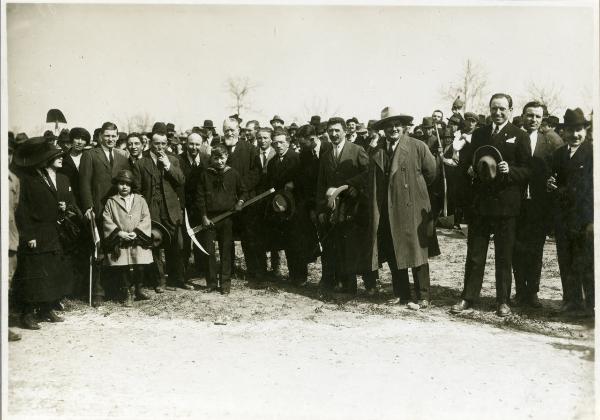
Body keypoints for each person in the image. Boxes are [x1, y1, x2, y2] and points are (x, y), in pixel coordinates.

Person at [451, 93, 531, 317]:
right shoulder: (479, 134)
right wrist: (468, 168)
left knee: (504, 256)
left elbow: (528, 170)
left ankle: (503, 301)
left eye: (502, 109)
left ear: (510, 111)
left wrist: (511, 171)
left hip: (507, 206)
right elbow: (467, 161)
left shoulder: (519, 136)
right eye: (494, 108)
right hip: (481, 205)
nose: (497, 113)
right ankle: (468, 297)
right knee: (475, 254)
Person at [349, 107, 437, 308]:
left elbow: (431, 173)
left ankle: (423, 296)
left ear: (404, 126)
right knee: (393, 250)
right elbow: (370, 176)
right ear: (383, 129)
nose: (393, 129)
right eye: (389, 125)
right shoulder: (377, 151)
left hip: (411, 208)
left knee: (417, 252)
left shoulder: (417, 146)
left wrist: (415, 192)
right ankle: (402, 294)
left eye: (397, 124)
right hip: (387, 209)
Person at [14, 141, 78, 329]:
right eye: (57, 157)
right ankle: (27, 313)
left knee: (52, 272)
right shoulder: (28, 179)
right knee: (33, 274)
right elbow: (22, 209)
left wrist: (64, 206)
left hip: (53, 232)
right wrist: (29, 235)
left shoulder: (60, 178)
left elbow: (66, 201)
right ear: (45, 160)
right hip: (36, 232)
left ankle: (46, 308)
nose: (61, 159)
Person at [511, 101, 564, 308]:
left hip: (539, 205)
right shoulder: (513, 138)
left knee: (535, 249)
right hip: (516, 203)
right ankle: (519, 291)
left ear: (542, 120)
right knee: (516, 247)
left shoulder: (549, 143)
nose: (533, 119)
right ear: (523, 116)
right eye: (529, 115)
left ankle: (532, 292)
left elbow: (557, 171)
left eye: (537, 116)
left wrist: (553, 182)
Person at [133, 122, 192, 292]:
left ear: (167, 143)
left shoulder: (173, 159)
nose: (160, 147)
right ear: (150, 142)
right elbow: (137, 188)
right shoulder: (141, 161)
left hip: (171, 209)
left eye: (163, 144)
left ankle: (178, 279)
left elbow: (181, 180)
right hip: (152, 209)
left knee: (177, 245)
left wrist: (168, 165)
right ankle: (160, 281)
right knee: (155, 244)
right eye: (157, 143)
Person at [547, 108, 594, 316]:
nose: (575, 135)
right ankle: (571, 300)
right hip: (563, 216)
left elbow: (588, 188)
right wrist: (550, 183)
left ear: (585, 130)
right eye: (570, 130)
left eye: (579, 130)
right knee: (565, 259)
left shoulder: (592, 154)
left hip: (584, 217)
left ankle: (591, 304)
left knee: (585, 261)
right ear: (563, 132)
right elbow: (556, 179)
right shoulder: (559, 154)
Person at [316, 117, 369, 298]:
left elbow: (368, 174)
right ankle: (337, 283)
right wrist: (322, 209)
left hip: (352, 208)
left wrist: (351, 185)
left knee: (350, 247)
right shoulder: (325, 157)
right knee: (334, 246)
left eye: (337, 130)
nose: (333, 134)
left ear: (345, 131)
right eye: (331, 131)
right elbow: (321, 185)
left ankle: (350, 287)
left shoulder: (357, 150)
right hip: (333, 210)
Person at [79, 121, 131, 307]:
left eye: (113, 136)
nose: (110, 139)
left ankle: (118, 290)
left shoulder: (122, 157)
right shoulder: (90, 155)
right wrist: (87, 207)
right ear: (101, 136)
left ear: (117, 137)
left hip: (117, 210)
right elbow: (84, 183)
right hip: (98, 210)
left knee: (117, 248)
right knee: (99, 251)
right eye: (107, 136)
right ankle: (98, 292)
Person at [265, 128, 318, 286]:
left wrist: (294, 185)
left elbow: (306, 181)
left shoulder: (296, 158)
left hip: (297, 207)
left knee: (297, 243)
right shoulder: (273, 162)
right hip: (281, 208)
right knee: (287, 242)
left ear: (288, 142)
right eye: (276, 142)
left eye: (282, 142)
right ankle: (292, 274)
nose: (279, 145)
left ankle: (300, 276)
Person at [195, 145, 247, 294]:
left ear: (227, 158)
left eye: (222, 158)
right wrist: (204, 216)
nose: (219, 161)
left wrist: (240, 203)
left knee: (226, 251)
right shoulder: (205, 175)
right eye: (216, 158)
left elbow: (243, 191)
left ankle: (225, 284)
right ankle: (211, 283)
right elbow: (200, 198)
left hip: (227, 218)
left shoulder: (233, 174)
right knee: (209, 252)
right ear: (211, 158)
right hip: (210, 219)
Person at [102, 170, 153, 306]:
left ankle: (139, 289)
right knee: (123, 266)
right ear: (116, 185)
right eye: (121, 183)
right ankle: (127, 293)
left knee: (140, 264)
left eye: (127, 184)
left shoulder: (140, 200)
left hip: (137, 237)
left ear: (132, 186)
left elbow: (146, 217)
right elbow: (107, 219)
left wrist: (137, 232)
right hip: (121, 238)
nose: (124, 187)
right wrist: (119, 233)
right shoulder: (111, 202)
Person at [222, 117, 261, 281]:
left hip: (246, 201)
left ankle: (254, 271)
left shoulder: (250, 149)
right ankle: (228, 271)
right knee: (227, 238)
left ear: (239, 130)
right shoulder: (219, 149)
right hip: (224, 202)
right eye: (226, 130)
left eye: (232, 129)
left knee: (249, 237)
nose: (229, 133)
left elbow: (256, 172)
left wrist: (241, 190)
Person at [178, 132, 210, 281]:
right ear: (186, 144)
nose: (194, 147)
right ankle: (183, 270)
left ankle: (201, 269)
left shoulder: (207, 160)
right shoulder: (178, 160)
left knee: (201, 236)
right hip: (184, 206)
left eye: (197, 144)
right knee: (184, 239)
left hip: (200, 206)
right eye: (191, 144)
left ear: (202, 144)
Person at [254, 127, 282, 279]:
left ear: (271, 139)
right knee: (260, 234)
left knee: (274, 233)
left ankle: (276, 267)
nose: (262, 141)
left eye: (265, 138)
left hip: (273, 199)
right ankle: (261, 267)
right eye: (259, 138)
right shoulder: (253, 154)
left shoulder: (275, 154)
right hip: (258, 199)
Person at [8, 136, 22, 341]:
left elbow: (15, 208)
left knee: (7, 280)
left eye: (9, 152)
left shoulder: (14, 180)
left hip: (9, 238)